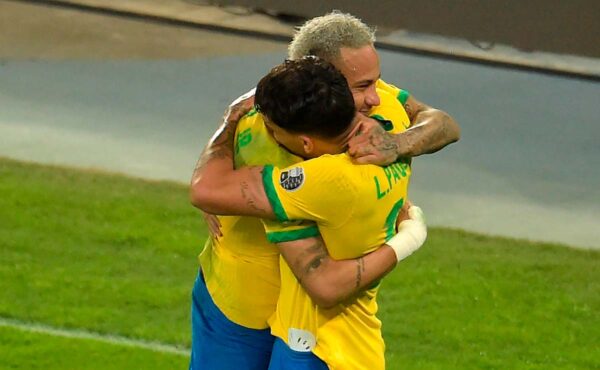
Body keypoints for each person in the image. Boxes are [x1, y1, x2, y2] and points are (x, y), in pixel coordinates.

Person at [188, 11, 459, 369]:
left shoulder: (371, 119)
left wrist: (398, 143)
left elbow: (442, 123)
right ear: (318, 74)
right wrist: (409, 236)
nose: (376, 98)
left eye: (374, 82)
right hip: (242, 309)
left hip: (303, 326)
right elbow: (209, 190)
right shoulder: (271, 140)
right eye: (362, 86)